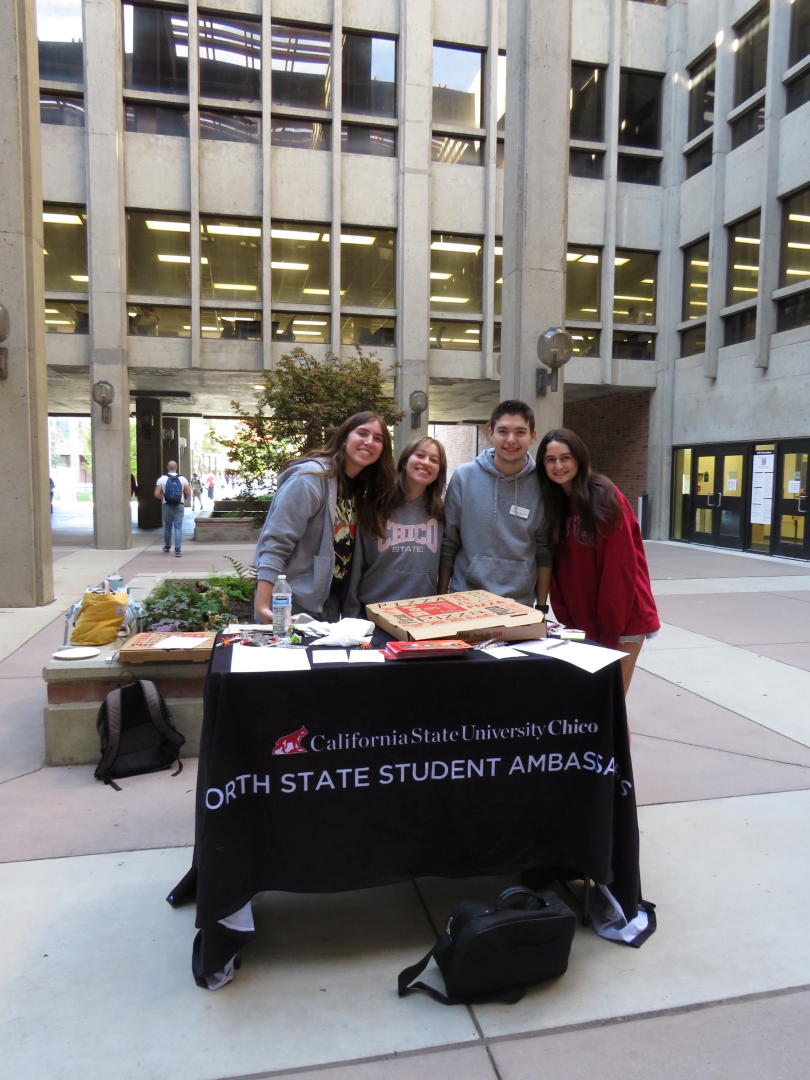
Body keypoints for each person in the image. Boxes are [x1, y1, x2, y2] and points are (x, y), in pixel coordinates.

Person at [536, 428, 660, 694]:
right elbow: (560, 575)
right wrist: (572, 625)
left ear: (579, 458)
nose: (558, 466)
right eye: (550, 460)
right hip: (585, 625)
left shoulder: (604, 497)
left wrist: (607, 637)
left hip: (622, 622)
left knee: (609, 705)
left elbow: (619, 573)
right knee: (596, 707)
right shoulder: (556, 504)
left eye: (565, 457)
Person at [254, 412, 396, 624]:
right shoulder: (310, 480)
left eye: (378, 439)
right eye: (362, 433)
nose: (369, 442)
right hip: (290, 604)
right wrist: (263, 606)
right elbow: (276, 542)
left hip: (330, 607)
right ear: (345, 437)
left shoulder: (361, 489)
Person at [438, 400, 552, 610]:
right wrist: (440, 597)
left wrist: (542, 607)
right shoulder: (464, 477)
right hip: (464, 600)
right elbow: (449, 542)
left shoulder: (543, 484)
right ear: (491, 433)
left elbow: (544, 550)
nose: (511, 440)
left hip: (519, 605)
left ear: (532, 436)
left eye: (520, 432)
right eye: (503, 431)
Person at [344, 436, 447, 616]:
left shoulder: (441, 513)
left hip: (422, 614)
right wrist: (351, 613)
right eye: (420, 455)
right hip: (373, 612)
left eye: (434, 460)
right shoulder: (376, 505)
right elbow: (357, 561)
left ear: (439, 471)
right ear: (405, 461)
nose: (426, 463)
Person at [154, 461, 191, 557]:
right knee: (178, 527)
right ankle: (178, 550)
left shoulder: (162, 479)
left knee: (167, 527)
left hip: (167, 505)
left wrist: (165, 497)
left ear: (167, 467)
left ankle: (167, 547)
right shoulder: (183, 479)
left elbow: (156, 494)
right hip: (179, 505)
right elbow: (189, 493)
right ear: (177, 467)